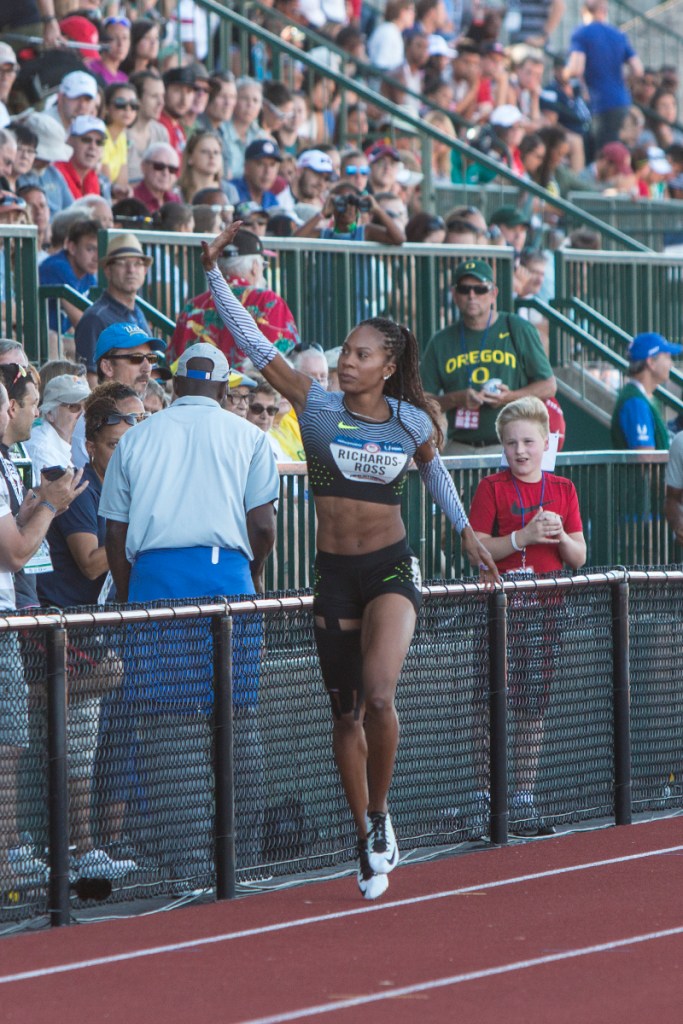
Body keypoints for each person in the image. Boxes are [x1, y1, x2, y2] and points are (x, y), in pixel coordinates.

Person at [199, 222, 499, 901]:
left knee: (382, 694)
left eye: (361, 355)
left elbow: (435, 476)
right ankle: (362, 827)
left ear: (387, 366)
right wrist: (214, 272)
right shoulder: (316, 405)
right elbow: (252, 343)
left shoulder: (413, 419)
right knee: (344, 713)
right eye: (346, 353)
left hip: (390, 568)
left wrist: (463, 532)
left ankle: (383, 814)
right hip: (332, 576)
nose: (346, 362)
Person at [100, 343, 279, 880]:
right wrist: (254, 576)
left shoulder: (138, 438)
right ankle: (238, 861)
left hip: (155, 582)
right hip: (229, 580)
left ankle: (186, 865)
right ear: (225, 390)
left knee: (166, 726)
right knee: (236, 720)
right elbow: (265, 527)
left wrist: (135, 595)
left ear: (175, 385)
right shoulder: (249, 435)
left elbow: (115, 532)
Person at [468, 398, 586, 835]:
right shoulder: (491, 488)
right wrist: (522, 536)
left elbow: (578, 554)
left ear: (546, 443)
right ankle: (484, 796)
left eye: (528, 442)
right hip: (500, 610)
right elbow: (479, 548)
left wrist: (557, 539)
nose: (520, 451)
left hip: (545, 610)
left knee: (531, 706)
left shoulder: (563, 489)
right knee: (487, 701)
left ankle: (523, 795)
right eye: (511, 443)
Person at [0, 380, 87, 889]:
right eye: (13, 403)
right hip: (4, 616)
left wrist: (37, 503)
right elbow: (13, 555)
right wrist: (51, 506)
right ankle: (5, 863)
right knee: (6, 747)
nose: (17, 411)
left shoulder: (8, 462)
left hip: (9, 615)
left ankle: (9, 858)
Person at [421, 259, 557, 454]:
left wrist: (508, 397)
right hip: (461, 444)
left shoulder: (517, 328)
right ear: (454, 294)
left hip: (511, 447)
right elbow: (422, 400)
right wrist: (455, 399)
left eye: (480, 289)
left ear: (494, 293)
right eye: (464, 289)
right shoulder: (441, 341)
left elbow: (549, 386)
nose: (471, 295)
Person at [170, 228, 299, 364]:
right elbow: (287, 360)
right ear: (255, 267)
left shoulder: (194, 305)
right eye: (263, 265)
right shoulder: (268, 301)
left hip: (198, 384)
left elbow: (174, 358)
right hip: (250, 385)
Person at [564, 0, 643, 150]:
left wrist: (564, 73)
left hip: (602, 105)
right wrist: (623, 81)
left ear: (584, 11)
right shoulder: (618, 34)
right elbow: (638, 69)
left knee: (605, 156)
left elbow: (576, 69)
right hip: (623, 101)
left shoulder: (582, 33)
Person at [74, 234, 153, 379]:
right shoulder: (95, 318)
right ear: (107, 271)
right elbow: (88, 379)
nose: (131, 270)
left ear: (145, 271)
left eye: (137, 263)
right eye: (122, 263)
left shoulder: (138, 313)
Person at [610, 332, 681, 450]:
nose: (671, 364)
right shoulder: (635, 402)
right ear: (651, 362)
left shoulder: (644, 397)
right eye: (667, 357)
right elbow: (645, 460)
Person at [38, 218, 99, 342]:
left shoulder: (89, 276)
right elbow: (83, 324)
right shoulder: (56, 267)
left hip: (59, 339)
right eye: (90, 249)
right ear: (71, 247)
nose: (96, 257)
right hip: (40, 341)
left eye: (100, 250)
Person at [25, 374, 91, 476]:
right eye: (74, 407)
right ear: (50, 413)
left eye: (87, 406)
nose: (83, 414)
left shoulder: (71, 442)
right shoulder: (42, 450)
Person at [54, 116, 109, 202]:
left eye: (99, 142)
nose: (93, 147)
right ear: (69, 141)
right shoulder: (57, 174)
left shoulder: (92, 176)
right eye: (86, 140)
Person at [132, 142, 181, 214]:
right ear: (143, 167)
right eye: (159, 166)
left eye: (172, 169)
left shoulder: (175, 200)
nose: (165, 173)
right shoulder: (132, 198)